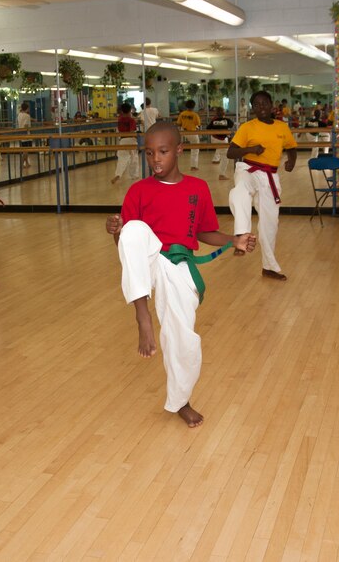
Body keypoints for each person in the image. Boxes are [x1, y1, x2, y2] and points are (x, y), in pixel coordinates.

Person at [105, 124, 255, 428]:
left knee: (183, 338)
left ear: (179, 151)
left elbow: (204, 232)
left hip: (179, 263)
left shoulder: (197, 189)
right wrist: (116, 231)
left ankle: (181, 400)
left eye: (162, 152)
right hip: (150, 256)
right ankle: (142, 315)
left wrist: (233, 240)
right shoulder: (139, 190)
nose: (155, 159)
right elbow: (127, 244)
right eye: (149, 153)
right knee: (132, 228)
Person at [227, 90, 297, 281]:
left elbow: (291, 148)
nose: (261, 107)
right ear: (252, 108)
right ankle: (241, 235)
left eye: (264, 103)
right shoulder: (247, 127)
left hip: (270, 176)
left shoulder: (282, 127)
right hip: (248, 169)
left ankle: (269, 267)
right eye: (256, 105)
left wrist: (291, 161)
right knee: (238, 192)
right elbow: (230, 153)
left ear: (271, 104)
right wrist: (250, 149)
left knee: (270, 223)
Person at [111, 102, 139, 184]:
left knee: (122, 158)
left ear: (122, 111)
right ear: (130, 110)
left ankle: (118, 174)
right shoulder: (132, 120)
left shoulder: (120, 120)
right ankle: (134, 175)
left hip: (123, 140)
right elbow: (131, 131)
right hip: (132, 140)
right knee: (134, 158)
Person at [206, 107, 235, 180]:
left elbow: (208, 128)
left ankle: (216, 159)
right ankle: (222, 174)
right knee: (225, 157)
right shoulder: (227, 120)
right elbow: (232, 125)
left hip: (214, 139)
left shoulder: (214, 121)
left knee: (220, 151)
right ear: (224, 113)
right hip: (222, 140)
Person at [175, 99, 202, 170]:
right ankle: (194, 166)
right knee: (195, 149)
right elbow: (198, 124)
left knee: (181, 148)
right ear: (194, 106)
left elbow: (178, 123)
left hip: (184, 132)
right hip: (192, 132)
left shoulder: (182, 114)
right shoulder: (195, 115)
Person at [17, 101, 33, 168]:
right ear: (27, 108)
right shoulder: (27, 116)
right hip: (26, 134)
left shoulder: (19, 115)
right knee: (26, 150)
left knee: (24, 150)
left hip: (21, 134)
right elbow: (26, 125)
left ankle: (26, 163)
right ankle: (22, 163)